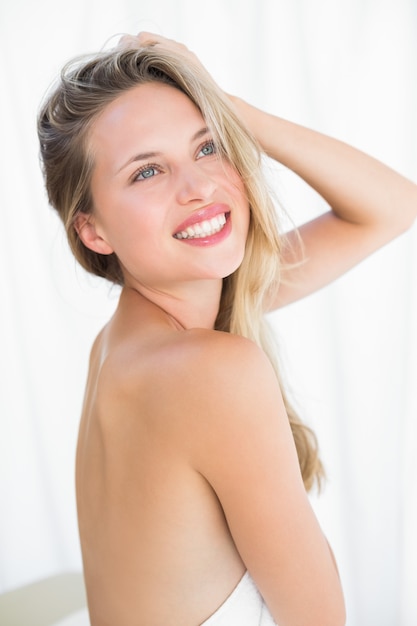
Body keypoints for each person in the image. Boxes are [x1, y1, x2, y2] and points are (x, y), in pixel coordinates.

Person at [37, 31, 417, 626]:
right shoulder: (208, 371)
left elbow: (394, 205)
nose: (199, 188)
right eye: (146, 173)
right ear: (93, 231)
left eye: (208, 146)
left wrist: (227, 107)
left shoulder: (131, 340)